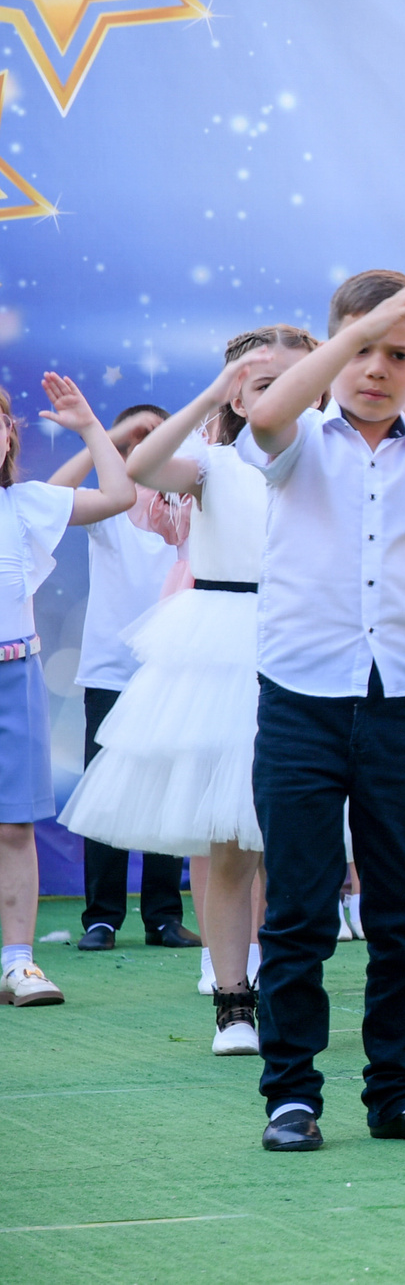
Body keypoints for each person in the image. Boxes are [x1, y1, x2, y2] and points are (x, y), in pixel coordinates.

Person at [235, 275, 405, 1150]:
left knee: (401, 911)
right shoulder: (298, 440)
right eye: (362, 349)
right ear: (331, 349)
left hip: (400, 701)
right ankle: (291, 1094)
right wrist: (360, 332)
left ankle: (399, 1090)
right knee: (301, 909)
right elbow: (267, 415)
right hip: (301, 700)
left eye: (399, 354)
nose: (376, 369)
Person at [60, 331, 316, 1038]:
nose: (280, 395)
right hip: (227, 641)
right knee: (231, 836)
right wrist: (210, 394)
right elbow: (140, 464)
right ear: (235, 394)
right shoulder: (213, 460)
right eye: (261, 383)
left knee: (302, 837)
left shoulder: (330, 455)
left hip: (310, 642)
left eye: (297, 379)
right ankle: (233, 999)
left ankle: (291, 982)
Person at [0, 375, 137, 1009]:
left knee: (13, 828)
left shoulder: (27, 503)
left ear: (9, 437)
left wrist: (89, 427)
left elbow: (118, 494)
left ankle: (19, 963)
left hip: (14, 673)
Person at [51, 403, 195, 954]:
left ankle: (162, 915)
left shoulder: (191, 504)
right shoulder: (112, 505)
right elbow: (55, 498)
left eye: (160, 439)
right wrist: (105, 438)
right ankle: (103, 916)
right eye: (138, 441)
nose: (147, 447)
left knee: (167, 792)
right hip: (111, 670)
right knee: (105, 793)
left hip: (174, 669)